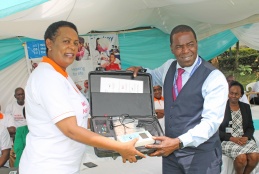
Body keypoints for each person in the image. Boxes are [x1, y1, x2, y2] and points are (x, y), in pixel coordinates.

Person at [19, 21, 145, 174]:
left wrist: (120, 128)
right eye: (66, 41)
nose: (72, 47)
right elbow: (71, 130)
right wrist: (118, 147)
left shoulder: (61, 75)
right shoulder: (48, 77)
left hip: (64, 166)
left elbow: (82, 121)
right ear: (49, 43)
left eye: (75, 42)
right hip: (47, 167)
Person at [127, 24, 228, 174]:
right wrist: (139, 70)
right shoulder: (169, 66)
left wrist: (178, 143)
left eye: (190, 45)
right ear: (172, 49)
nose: (186, 51)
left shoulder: (214, 78)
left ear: (196, 44)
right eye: (179, 46)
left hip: (201, 157)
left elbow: (211, 123)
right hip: (171, 156)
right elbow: (152, 76)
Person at [219, 81, 259, 174]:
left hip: (244, 139)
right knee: (241, 158)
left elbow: (250, 126)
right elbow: (216, 130)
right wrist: (232, 138)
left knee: (255, 156)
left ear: (241, 95)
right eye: (231, 93)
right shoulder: (221, 107)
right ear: (228, 93)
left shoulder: (245, 107)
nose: (233, 96)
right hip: (227, 140)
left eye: (237, 94)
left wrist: (246, 137)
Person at [5, 87, 26, 167]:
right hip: (16, 133)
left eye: (22, 94)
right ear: (15, 96)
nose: (21, 96)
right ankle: (17, 168)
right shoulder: (10, 107)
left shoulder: (30, 104)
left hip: (28, 131)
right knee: (18, 152)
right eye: (18, 94)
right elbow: (7, 123)